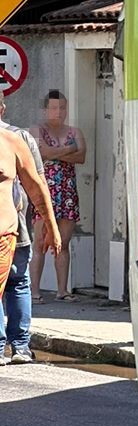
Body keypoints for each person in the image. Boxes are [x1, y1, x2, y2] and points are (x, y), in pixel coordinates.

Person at [0, 124, 58, 336]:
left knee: (18, 281)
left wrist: (52, 226)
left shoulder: (14, 140)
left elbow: (37, 186)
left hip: (7, 233)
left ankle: (18, 344)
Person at [0, 93, 44, 362]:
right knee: (18, 282)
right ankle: (20, 346)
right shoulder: (21, 137)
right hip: (19, 221)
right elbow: (38, 182)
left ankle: (8, 346)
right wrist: (44, 221)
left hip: (15, 224)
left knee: (15, 281)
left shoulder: (18, 138)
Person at [30, 89, 85, 302]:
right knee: (40, 241)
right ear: (45, 110)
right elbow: (41, 153)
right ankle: (34, 292)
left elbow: (81, 156)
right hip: (44, 192)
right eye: (54, 108)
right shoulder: (37, 129)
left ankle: (62, 291)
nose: (58, 112)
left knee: (63, 242)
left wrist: (60, 152)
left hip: (68, 192)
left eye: (62, 107)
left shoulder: (74, 131)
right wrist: (68, 149)